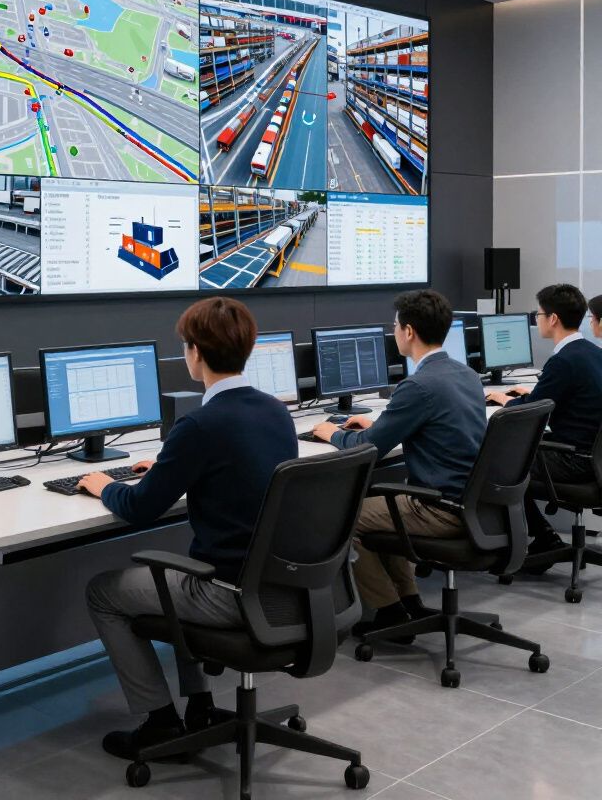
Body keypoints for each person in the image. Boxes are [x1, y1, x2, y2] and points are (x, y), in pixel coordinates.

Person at [82, 297, 298, 761]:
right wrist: (169, 467)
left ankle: (160, 722)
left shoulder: (200, 425)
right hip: (282, 587)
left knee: (103, 591)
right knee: (184, 569)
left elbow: (139, 508)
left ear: (195, 352)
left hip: (230, 593)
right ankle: (199, 708)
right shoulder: (276, 411)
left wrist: (103, 485)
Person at [311, 290, 486, 637]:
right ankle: (408, 601)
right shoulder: (465, 374)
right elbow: (425, 425)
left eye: (394, 326)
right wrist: (380, 424)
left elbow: (366, 448)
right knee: (382, 501)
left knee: (342, 518)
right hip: (472, 504)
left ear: (408, 331)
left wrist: (332, 433)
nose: (393, 332)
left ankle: (389, 612)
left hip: (440, 508)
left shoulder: (418, 385)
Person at [487, 284, 602, 558]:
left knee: (495, 461)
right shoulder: (593, 353)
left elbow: (531, 411)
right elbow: (554, 398)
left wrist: (504, 399)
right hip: (593, 457)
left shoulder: (563, 361)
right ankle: (542, 535)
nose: (537, 320)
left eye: (538, 314)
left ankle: (537, 537)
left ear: (553, 319)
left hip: (575, 461)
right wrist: (532, 394)